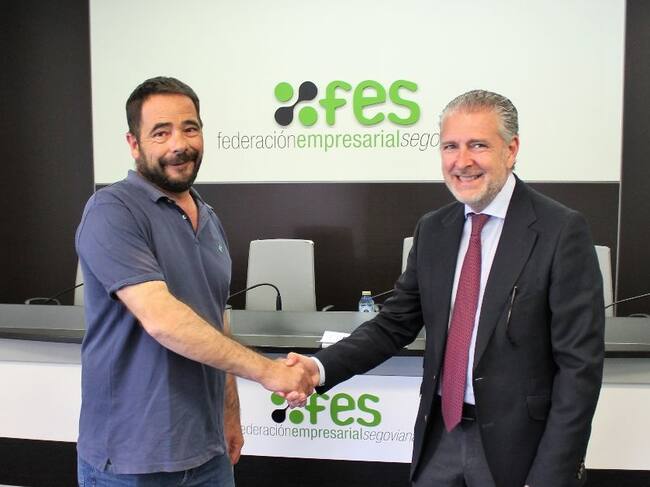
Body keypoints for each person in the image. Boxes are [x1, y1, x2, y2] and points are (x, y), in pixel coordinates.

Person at [287, 90, 605, 487]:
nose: (462, 161)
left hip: (519, 451)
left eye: (478, 145)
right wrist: (318, 368)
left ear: (511, 149)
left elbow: (579, 369)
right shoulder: (434, 229)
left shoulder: (560, 230)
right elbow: (393, 325)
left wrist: (550, 477)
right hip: (440, 437)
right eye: (450, 146)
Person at [75, 76, 313, 486]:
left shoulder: (209, 218)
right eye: (161, 132)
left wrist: (230, 413)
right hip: (132, 461)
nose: (179, 144)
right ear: (134, 143)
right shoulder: (112, 211)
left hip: (207, 453)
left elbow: (216, 319)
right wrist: (268, 372)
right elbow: (163, 320)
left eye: (190, 128)